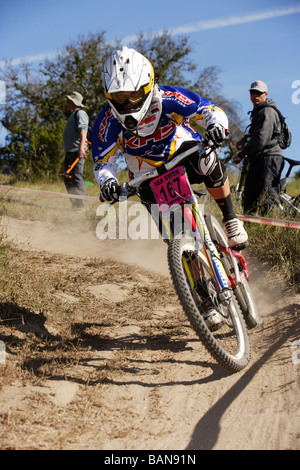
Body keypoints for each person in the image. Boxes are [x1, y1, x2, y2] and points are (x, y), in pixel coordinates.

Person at [91, 46, 248, 252]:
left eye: (134, 94)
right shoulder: (106, 123)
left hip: (183, 156)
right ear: (109, 95)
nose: (128, 104)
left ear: (147, 87)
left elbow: (209, 110)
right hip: (146, 177)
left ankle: (230, 220)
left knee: (208, 158)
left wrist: (216, 127)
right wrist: (108, 182)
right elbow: (103, 162)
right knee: (175, 242)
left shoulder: (168, 98)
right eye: (120, 97)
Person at [233, 80, 284, 214]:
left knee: (267, 198)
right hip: (258, 158)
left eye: (259, 93)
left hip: (269, 158)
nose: (255, 96)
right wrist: (244, 140)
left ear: (265, 94)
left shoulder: (267, 111)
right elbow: (256, 134)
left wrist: (241, 154)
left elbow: (261, 139)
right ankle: (249, 230)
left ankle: (272, 232)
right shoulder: (258, 111)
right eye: (252, 92)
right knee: (249, 198)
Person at [63, 91, 89, 209]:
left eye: (68, 100)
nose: (66, 103)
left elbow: (83, 131)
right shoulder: (72, 115)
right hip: (70, 151)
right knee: (67, 177)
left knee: (76, 176)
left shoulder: (80, 113)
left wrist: (81, 148)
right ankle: (75, 204)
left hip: (78, 151)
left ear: (73, 102)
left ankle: (81, 206)